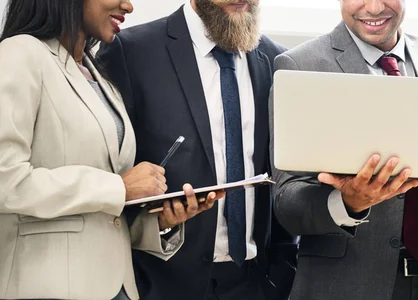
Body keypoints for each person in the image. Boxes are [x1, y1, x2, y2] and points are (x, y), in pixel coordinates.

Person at [0, 0, 224, 299]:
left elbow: (101, 215)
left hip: (117, 287)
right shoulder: (20, 53)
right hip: (46, 286)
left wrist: (159, 222)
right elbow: (6, 180)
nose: (128, 6)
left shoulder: (97, 74)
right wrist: (118, 186)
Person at [270, 0, 418, 299]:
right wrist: (348, 202)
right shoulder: (299, 65)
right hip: (343, 285)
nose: (374, 7)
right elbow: (285, 201)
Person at [97, 0, 297, 299]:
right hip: (162, 281)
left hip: (257, 281)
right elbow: (106, 172)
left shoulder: (277, 58)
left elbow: (285, 172)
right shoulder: (130, 51)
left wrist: (281, 269)